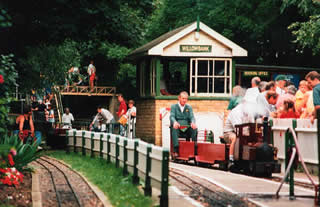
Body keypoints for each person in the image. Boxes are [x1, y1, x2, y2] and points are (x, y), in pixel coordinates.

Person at [170, 91, 197, 158]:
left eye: (186, 99)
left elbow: (192, 117)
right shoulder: (174, 106)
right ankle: (176, 150)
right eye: (183, 98)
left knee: (194, 128)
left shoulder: (189, 107)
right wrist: (174, 122)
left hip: (187, 127)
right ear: (179, 98)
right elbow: (172, 116)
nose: (184, 100)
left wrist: (193, 123)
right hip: (178, 127)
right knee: (174, 128)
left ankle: (194, 148)